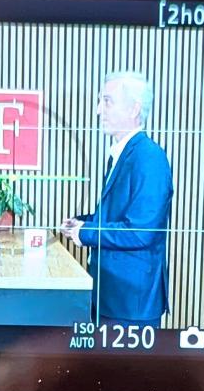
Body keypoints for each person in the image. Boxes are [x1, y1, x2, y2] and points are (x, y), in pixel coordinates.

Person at [61, 70, 173, 324]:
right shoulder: (124, 155)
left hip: (130, 304)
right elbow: (119, 215)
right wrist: (83, 223)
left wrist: (86, 232)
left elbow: (141, 231)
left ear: (134, 109)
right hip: (111, 296)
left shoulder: (149, 158)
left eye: (107, 101)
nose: (99, 110)